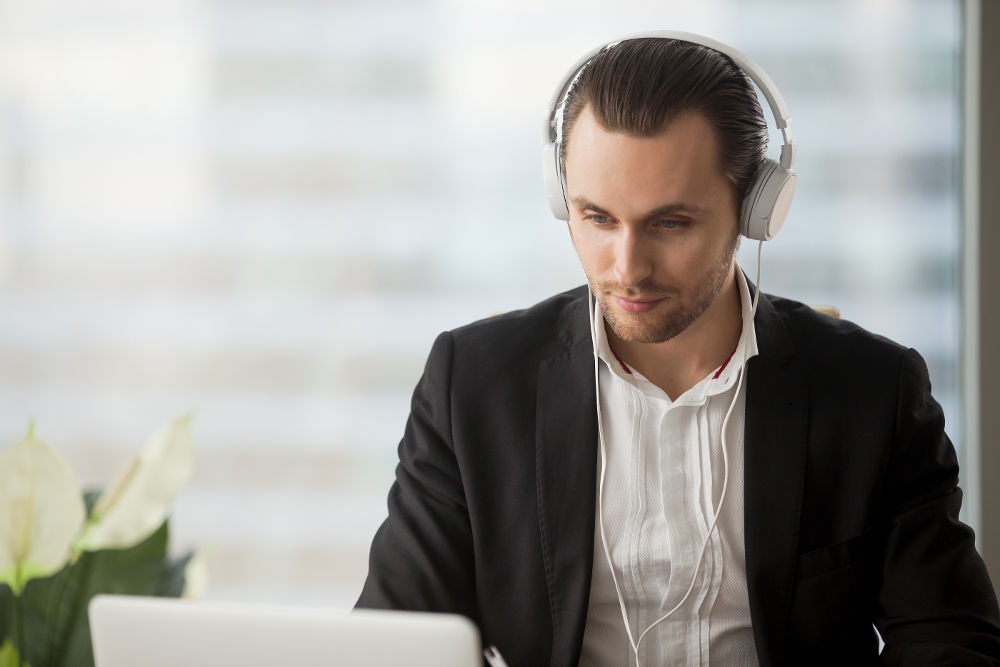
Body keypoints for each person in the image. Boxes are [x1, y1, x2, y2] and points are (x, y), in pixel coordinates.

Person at [356, 33, 1000, 666]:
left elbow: (949, 640)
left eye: (670, 223)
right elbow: (395, 641)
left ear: (756, 210)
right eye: (597, 218)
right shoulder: (471, 384)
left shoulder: (872, 390)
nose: (627, 268)